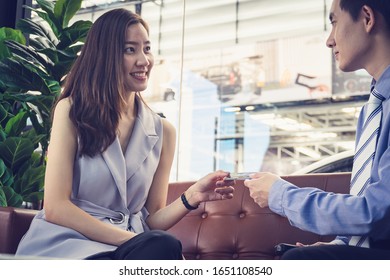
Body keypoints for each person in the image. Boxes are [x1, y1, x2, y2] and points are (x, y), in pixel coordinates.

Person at [15, 8, 234, 260]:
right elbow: (56, 208)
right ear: (106, 55)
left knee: (163, 245)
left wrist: (191, 197)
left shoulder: (164, 131)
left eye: (147, 48)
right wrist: (134, 241)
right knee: (163, 246)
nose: (144, 60)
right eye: (130, 49)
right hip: (69, 243)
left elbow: (151, 219)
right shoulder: (72, 110)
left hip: (130, 250)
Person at [244, 0, 390, 259]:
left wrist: (280, 194)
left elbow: (376, 213)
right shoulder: (373, 109)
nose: (329, 41)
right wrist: (336, 246)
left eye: (334, 23)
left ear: (367, 18)